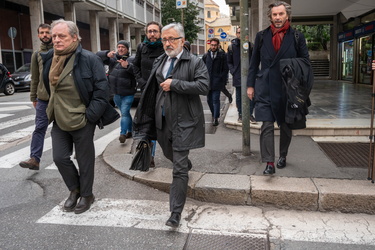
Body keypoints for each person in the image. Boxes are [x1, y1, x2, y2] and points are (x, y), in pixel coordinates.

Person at [133, 23, 209, 228]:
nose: (167, 43)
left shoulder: (194, 62)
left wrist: (175, 84)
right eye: (164, 39)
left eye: (171, 39)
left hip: (185, 121)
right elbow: (152, 89)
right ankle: (183, 163)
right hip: (162, 119)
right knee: (168, 154)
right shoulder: (161, 60)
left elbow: (203, 86)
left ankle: (175, 213)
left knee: (178, 171)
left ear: (182, 41)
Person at [42, 19, 116, 214]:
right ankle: (75, 190)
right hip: (59, 118)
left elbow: (102, 91)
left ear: (74, 37)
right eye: (54, 36)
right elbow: (48, 87)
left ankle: (87, 195)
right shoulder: (50, 57)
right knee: (59, 158)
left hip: (82, 119)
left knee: (85, 161)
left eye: (61, 36)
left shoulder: (89, 59)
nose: (56, 40)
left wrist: (90, 116)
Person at [247, 1, 310, 175]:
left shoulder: (297, 36)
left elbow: (305, 62)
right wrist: (250, 85)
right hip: (265, 87)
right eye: (274, 15)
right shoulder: (261, 36)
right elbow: (254, 64)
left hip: (287, 89)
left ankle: (283, 155)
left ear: (287, 15)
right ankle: (269, 162)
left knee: (285, 126)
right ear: (270, 17)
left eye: (281, 14)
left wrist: (289, 68)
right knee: (266, 124)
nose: (277, 17)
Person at [19, 24, 53, 171]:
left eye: (47, 32)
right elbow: (35, 78)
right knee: (39, 128)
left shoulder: (59, 50)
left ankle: (74, 152)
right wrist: (34, 97)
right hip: (43, 98)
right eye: (42, 33)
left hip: (59, 99)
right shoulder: (36, 54)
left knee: (66, 127)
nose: (45, 35)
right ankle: (34, 159)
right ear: (38, 35)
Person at [133, 21, 165, 168]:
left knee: (161, 124)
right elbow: (135, 66)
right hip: (146, 91)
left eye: (155, 31)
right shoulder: (141, 47)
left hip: (161, 92)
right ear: (146, 33)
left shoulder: (165, 47)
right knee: (147, 123)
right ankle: (150, 156)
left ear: (160, 33)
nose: (152, 34)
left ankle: (173, 153)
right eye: (150, 31)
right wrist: (141, 81)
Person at [97, 40, 136, 144]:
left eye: (123, 47)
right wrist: (106, 54)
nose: (120, 49)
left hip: (128, 93)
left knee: (124, 113)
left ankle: (123, 133)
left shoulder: (132, 59)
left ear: (127, 49)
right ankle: (131, 131)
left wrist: (127, 66)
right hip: (116, 93)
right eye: (119, 47)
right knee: (126, 113)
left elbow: (136, 72)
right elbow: (97, 56)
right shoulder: (112, 60)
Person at [228, 27, 255, 123]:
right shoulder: (232, 47)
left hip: (249, 75)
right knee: (239, 96)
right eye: (239, 32)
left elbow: (254, 61)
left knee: (251, 95)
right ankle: (240, 114)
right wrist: (233, 71)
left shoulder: (251, 46)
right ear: (236, 34)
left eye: (242, 32)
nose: (241, 34)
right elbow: (229, 62)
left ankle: (250, 114)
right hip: (238, 75)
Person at [202, 38, 229, 126]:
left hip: (217, 82)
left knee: (215, 100)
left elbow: (225, 69)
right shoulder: (206, 56)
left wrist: (223, 79)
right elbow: (202, 68)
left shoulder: (222, 55)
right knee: (209, 100)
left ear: (218, 45)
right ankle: (214, 114)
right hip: (208, 82)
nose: (213, 47)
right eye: (212, 45)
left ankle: (216, 118)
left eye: (215, 45)